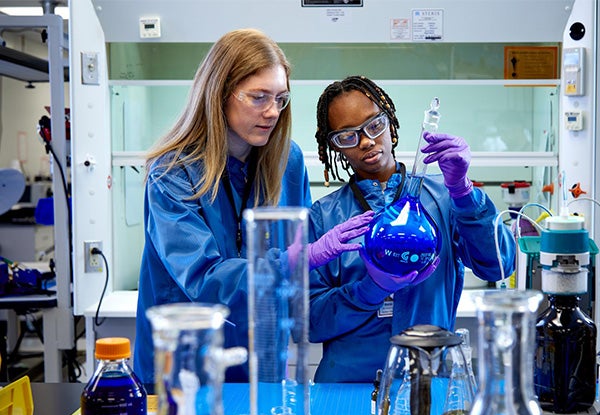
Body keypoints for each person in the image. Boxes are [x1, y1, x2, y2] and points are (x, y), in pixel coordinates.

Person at [133, 30, 371, 388]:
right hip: (184, 367)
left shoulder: (286, 162)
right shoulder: (173, 173)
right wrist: (298, 259)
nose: (273, 111)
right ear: (219, 95)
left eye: (281, 98)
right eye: (258, 97)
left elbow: (302, 280)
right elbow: (206, 279)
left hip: (263, 365)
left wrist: (372, 281)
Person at [309, 75, 517, 383]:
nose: (366, 141)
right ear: (335, 148)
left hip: (429, 381)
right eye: (347, 136)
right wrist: (370, 290)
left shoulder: (444, 199)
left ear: (391, 126)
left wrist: (463, 191)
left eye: (374, 126)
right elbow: (310, 322)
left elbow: (498, 265)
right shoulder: (325, 217)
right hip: (347, 387)